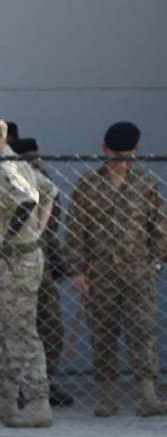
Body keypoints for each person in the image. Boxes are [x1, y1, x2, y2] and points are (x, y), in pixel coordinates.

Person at [63, 121, 167, 417]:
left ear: (136, 151)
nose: (123, 162)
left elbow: (159, 228)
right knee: (103, 333)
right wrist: (77, 270)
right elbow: (75, 231)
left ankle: (147, 395)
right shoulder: (88, 185)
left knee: (142, 333)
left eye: (129, 156)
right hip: (101, 274)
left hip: (138, 273)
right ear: (106, 150)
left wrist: (155, 263)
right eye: (117, 155)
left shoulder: (145, 184)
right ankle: (107, 396)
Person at [0, 114, 55, 427]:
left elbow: (28, 201)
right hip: (14, 260)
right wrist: (37, 233)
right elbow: (49, 191)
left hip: (17, 261)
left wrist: (10, 237)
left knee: (21, 331)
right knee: (4, 329)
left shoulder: (6, 168)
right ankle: (6, 399)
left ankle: (38, 403)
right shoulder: (17, 163)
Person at [10, 137, 74, 407]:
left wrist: (60, 261)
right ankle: (19, 387)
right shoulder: (8, 180)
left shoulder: (45, 183)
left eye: (36, 158)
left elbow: (50, 232)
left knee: (52, 327)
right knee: (18, 328)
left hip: (43, 264)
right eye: (28, 159)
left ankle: (43, 381)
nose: (34, 163)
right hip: (14, 265)